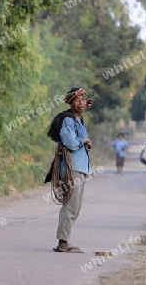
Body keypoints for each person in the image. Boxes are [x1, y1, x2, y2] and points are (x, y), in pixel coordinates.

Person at [49, 87, 93, 253]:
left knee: (76, 206)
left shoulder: (79, 120)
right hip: (71, 167)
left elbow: (78, 141)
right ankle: (62, 243)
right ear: (70, 102)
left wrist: (84, 141)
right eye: (77, 100)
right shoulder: (68, 120)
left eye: (83, 99)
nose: (81, 103)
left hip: (79, 167)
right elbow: (71, 143)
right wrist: (84, 140)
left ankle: (64, 240)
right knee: (71, 205)